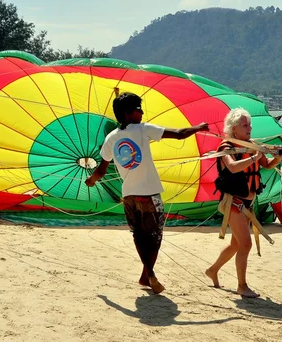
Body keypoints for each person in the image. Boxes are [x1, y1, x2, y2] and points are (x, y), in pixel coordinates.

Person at [85, 92, 209, 294]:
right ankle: (150, 273)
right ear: (127, 113)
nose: (142, 112)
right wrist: (198, 128)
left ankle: (145, 276)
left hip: (129, 196)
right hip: (150, 194)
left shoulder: (111, 138)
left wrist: (91, 180)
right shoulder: (143, 130)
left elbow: (100, 170)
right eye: (138, 108)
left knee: (139, 236)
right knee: (154, 236)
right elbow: (179, 134)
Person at [205, 108, 282, 298]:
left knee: (235, 244)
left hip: (248, 203)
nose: (249, 128)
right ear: (233, 128)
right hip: (234, 202)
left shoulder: (252, 145)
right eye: (244, 125)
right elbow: (232, 167)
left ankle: (212, 270)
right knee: (245, 245)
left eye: (250, 124)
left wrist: (279, 156)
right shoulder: (226, 147)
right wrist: (254, 156)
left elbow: (267, 165)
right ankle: (242, 286)